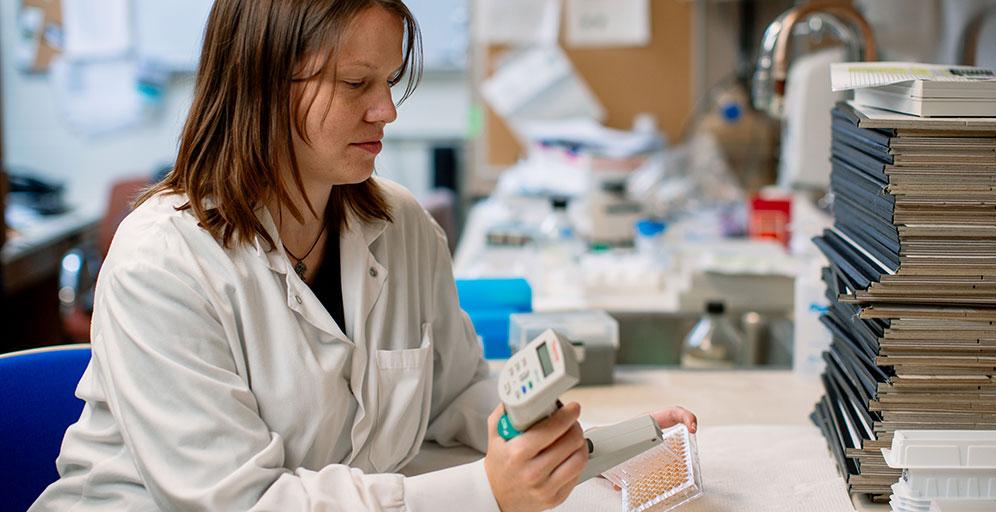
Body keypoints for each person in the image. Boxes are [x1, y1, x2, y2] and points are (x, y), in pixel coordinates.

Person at [31, 1, 697, 510]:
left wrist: (567, 444)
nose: (386, 110)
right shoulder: (164, 262)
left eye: (389, 81)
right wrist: (485, 492)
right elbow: (239, 502)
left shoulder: (401, 224)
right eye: (355, 83)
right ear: (262, 85)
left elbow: (457, 392)